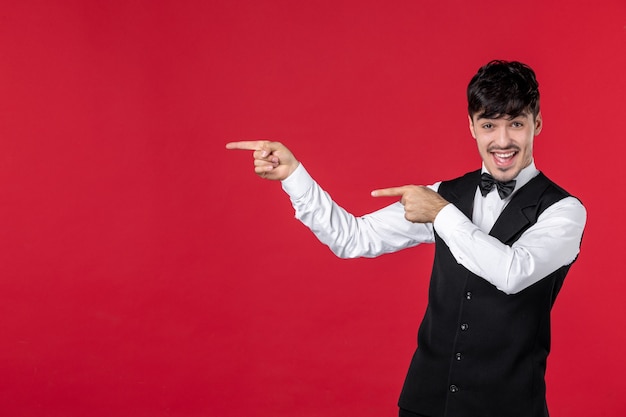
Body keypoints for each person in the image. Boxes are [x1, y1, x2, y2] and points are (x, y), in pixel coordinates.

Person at [226, 60, 586, 417]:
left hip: (508, 408)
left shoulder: (564, 211)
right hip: (424, 404)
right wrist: (294, 176)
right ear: (472, 128)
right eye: (489, 125)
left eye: (517, 124)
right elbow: (352, 237)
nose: (503, 140)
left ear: (536, 124)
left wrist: (441, 214)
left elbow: (514, 273)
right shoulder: (446, 193)